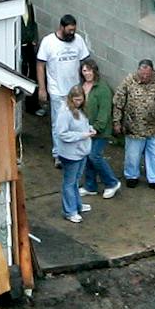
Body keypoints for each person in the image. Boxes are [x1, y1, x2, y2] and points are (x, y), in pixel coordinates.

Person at [114, 58, 155, 192]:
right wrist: (117, 122)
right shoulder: (129, 81)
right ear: (138, 71)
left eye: (148, 74)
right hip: (135, 127)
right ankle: (131, 176)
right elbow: (118, 103)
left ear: (152, 72)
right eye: (142, 74)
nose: (145, 77)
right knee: (133, 154)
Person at [35, 14, 90, 162]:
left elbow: (85, 62)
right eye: (69, 30)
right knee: (59, 123)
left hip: (75, 91)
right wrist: (42, 88)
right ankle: (58, 154)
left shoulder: (78, 40)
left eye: (74, 30)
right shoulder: (48, 42)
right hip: (57, 90)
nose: (72, 33)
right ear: (61, 27)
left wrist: (86, 85)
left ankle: (75, 151)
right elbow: (40, 65)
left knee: (77, 121)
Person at [78, 58, 122, 200]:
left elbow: (104, 111)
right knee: (87, 156)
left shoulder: (102, 89)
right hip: (85, 129)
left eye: (89, 70)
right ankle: (90, 186)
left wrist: (97, 127)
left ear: (95, 71)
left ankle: (112, 182)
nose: (87, 73)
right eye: (84, 71)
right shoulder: (82, 86)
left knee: (94, 156)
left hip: (100, 131)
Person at [54, 87, 95, 224]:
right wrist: (83, 135)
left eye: (81, 99)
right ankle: (69, 211)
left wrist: (89, 129)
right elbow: (62, 133)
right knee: (69, 182)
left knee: (75, 180)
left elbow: (83, 124)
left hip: (80, 152)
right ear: (71, 98)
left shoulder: (80, 111)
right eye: (76, 100)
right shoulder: (65, 113)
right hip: (70, 154)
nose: (78, 102)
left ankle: (77, 205)